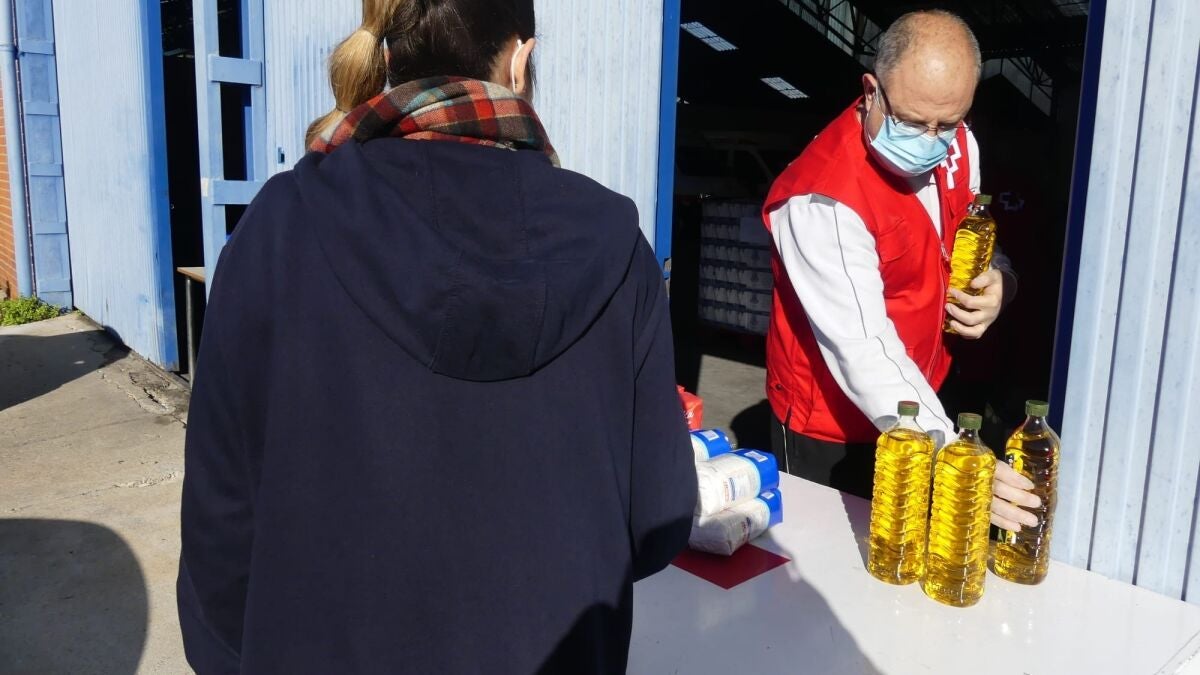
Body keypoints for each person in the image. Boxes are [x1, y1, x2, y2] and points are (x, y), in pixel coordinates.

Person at [176, 1, 697, 672]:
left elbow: (221, 529)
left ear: (387, 56)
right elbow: (658, 518)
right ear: (521, 60)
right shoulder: (616, 245)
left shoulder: (279, 228)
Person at [761, 10, 1039, 531]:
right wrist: (953, 458)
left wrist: (1002, 279)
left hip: (926, 393)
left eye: (948, 123)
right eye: (912, 122)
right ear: (872, 91)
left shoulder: (959, 145)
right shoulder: (823, 201)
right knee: (830, 559)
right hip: (834, 426)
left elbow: (968, 233)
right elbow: (863, 347)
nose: (931, 141)